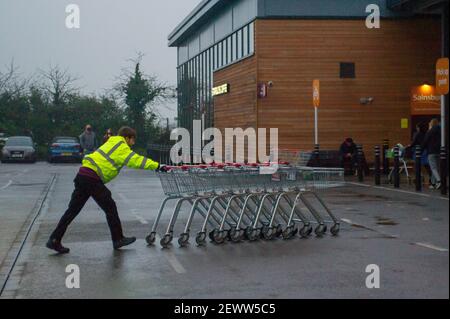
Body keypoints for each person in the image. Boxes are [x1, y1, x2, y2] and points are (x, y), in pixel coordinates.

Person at [46, 127, 165, 254]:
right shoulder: (121, 146)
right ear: (127, 138)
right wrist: (158, 166)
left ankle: (54, 239)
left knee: (72, 211)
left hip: (83, 175)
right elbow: (137, 161)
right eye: (132, 139)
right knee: (110, 206)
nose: (133, 143)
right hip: (92, 178)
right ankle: (118, 239)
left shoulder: (111, 142)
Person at [421, 118, 441, 190]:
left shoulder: (430, 131)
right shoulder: (440, 131)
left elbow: (425, 141)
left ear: (432, 123)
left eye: (429, 122)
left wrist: (421, 151)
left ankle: (439, 181)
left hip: (431, 151)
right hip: (439, 151)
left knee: (433, 168)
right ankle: (433, 183)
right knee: (436, 168)